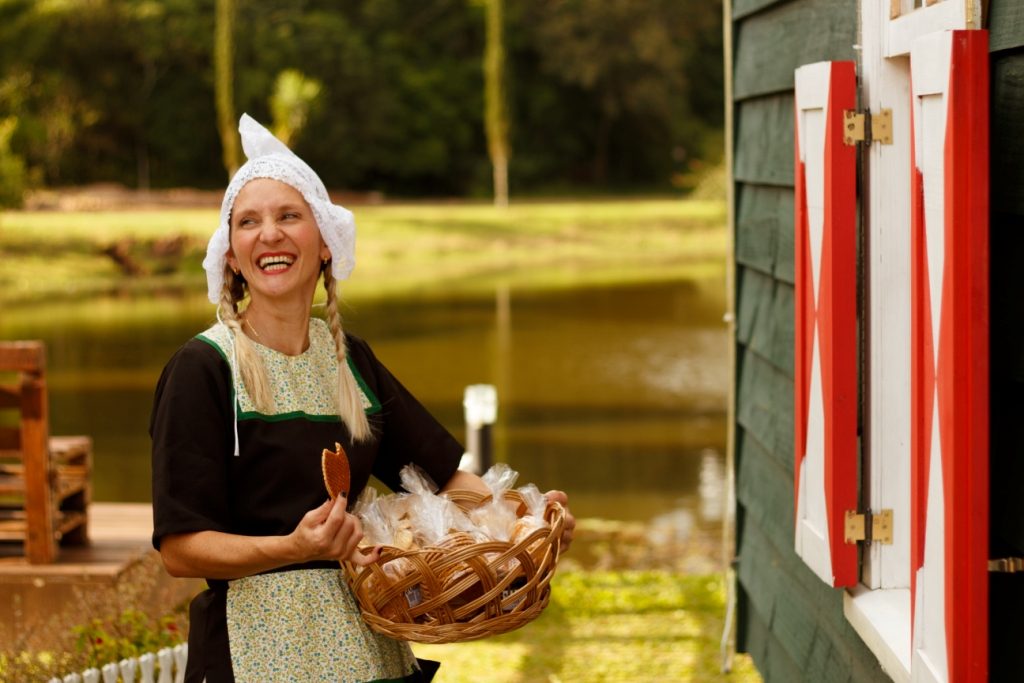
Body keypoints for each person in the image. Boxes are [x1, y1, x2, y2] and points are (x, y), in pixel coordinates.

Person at [150, 114, 575, 683]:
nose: (268, 235)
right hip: (255, 654)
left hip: (367, 647)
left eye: (288, 217)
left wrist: (525, 522)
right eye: (247, 223)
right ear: (230, 255)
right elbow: (181, 548)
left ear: (325, 243)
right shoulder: (204, 369)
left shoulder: (353, 362)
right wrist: (294, 547)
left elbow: (443, 479)